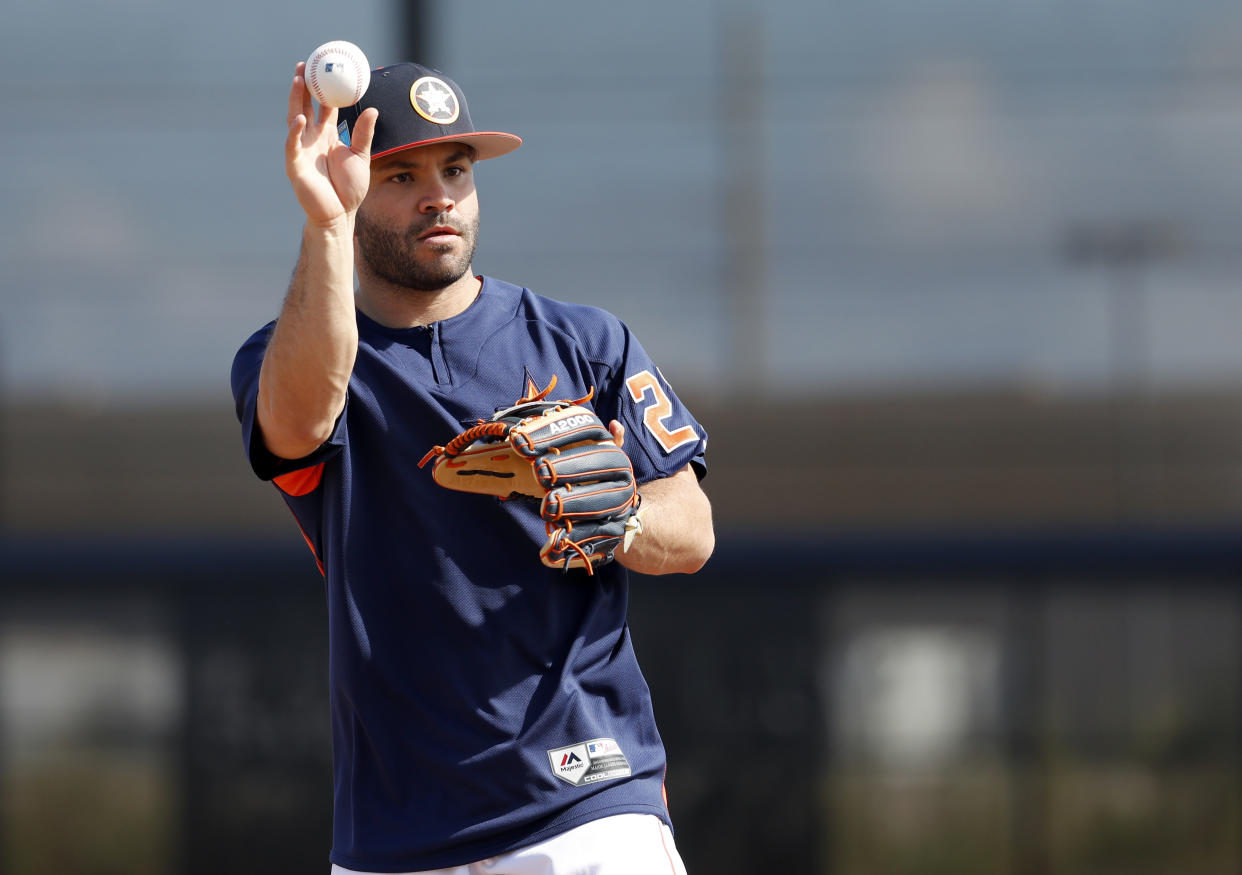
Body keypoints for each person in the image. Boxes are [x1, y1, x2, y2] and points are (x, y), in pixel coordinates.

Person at [230, 58, 714, 875]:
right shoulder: (298, 355)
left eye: (457, 170)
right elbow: (298, 418)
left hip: (589, 804)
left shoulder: (584, 342)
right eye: (401, 172)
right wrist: (325, 225)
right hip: (398, 836)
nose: (439, 194)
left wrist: (614, 512)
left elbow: (692, 530)